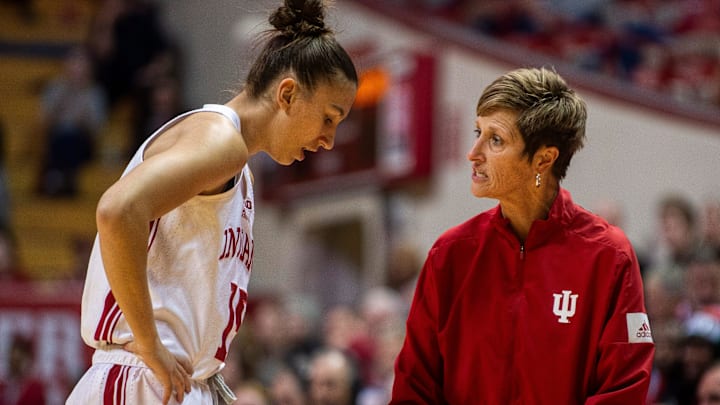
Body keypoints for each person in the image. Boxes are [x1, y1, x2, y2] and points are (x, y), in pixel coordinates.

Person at [65, 0, 358, 403]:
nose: (329, 140)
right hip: (140, 380)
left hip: (178, 382)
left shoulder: (239, 170)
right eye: (328, 117)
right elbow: (117, 211)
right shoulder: (220, 141)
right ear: (288, 94)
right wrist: (150, 344)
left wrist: (206, 373)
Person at [390, 67, 654, 404]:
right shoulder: (450, 254)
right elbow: (414, 386)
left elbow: (624, 388)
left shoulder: (609, 255)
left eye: (495, 139)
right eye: (477, 132)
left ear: (543, 159)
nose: (474, 152)